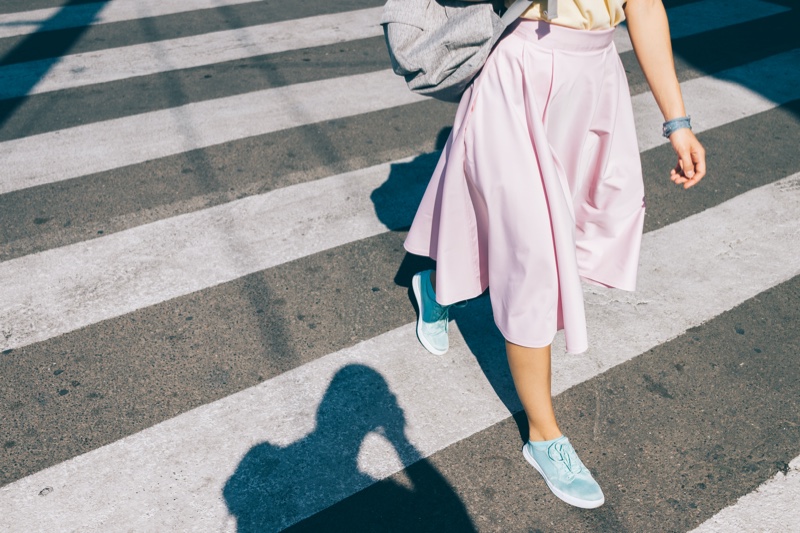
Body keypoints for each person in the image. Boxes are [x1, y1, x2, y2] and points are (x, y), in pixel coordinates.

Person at [405, 0, 706, 509]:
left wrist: (676, 121)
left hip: (593, 82)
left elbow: (646, 7)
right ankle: (544, 436)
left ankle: (436, 287)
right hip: (519, 72)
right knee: (534, 255)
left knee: (545, 227)